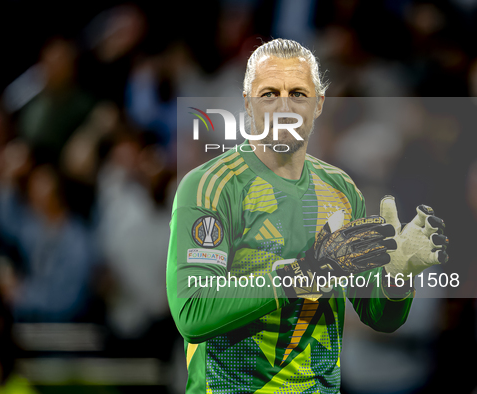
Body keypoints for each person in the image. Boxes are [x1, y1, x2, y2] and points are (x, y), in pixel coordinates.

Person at [166, 38, 449, 393]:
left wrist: (397, 277)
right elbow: (193, 311)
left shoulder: (342, 190)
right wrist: (303, 274)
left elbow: (379, 317)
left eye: (298, 94)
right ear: (247, 104)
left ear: (318, 105)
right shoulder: (209, 187)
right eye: (269, 93)